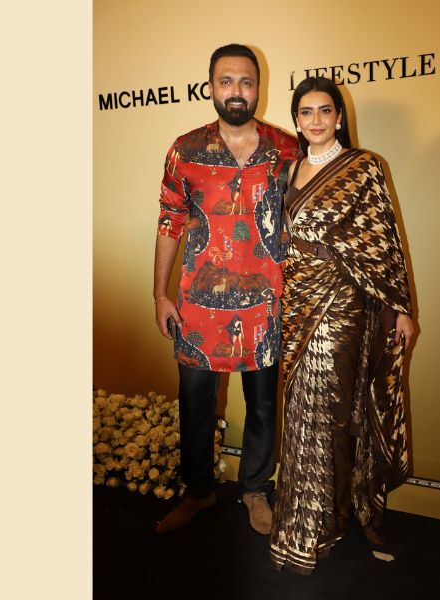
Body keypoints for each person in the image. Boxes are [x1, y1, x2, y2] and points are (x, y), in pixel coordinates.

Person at [269, 76, 415, 575]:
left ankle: (327, 521)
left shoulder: (364, 167)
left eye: (324, 111)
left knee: (332, 409)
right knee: (298, 409)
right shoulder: (289, 169)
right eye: (306, 112)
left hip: (342, 303)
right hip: (296, 302)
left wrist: (400, 307)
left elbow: (384, 242)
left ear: (338, 116)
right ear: (296, 120)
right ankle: (299, 517)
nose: (315, 120)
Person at [153, 43, 299, 535]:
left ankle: (255, 490)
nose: (237, 90)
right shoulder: (185, 150)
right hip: (197, 306)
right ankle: (199, 491)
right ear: (211, 87)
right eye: (227, 81)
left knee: (263, 405)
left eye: (246, 81)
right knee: (195, 406)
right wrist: (159, 294)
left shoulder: (287, 150)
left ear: (259, 88)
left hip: (266, 305)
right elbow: (170, 221)